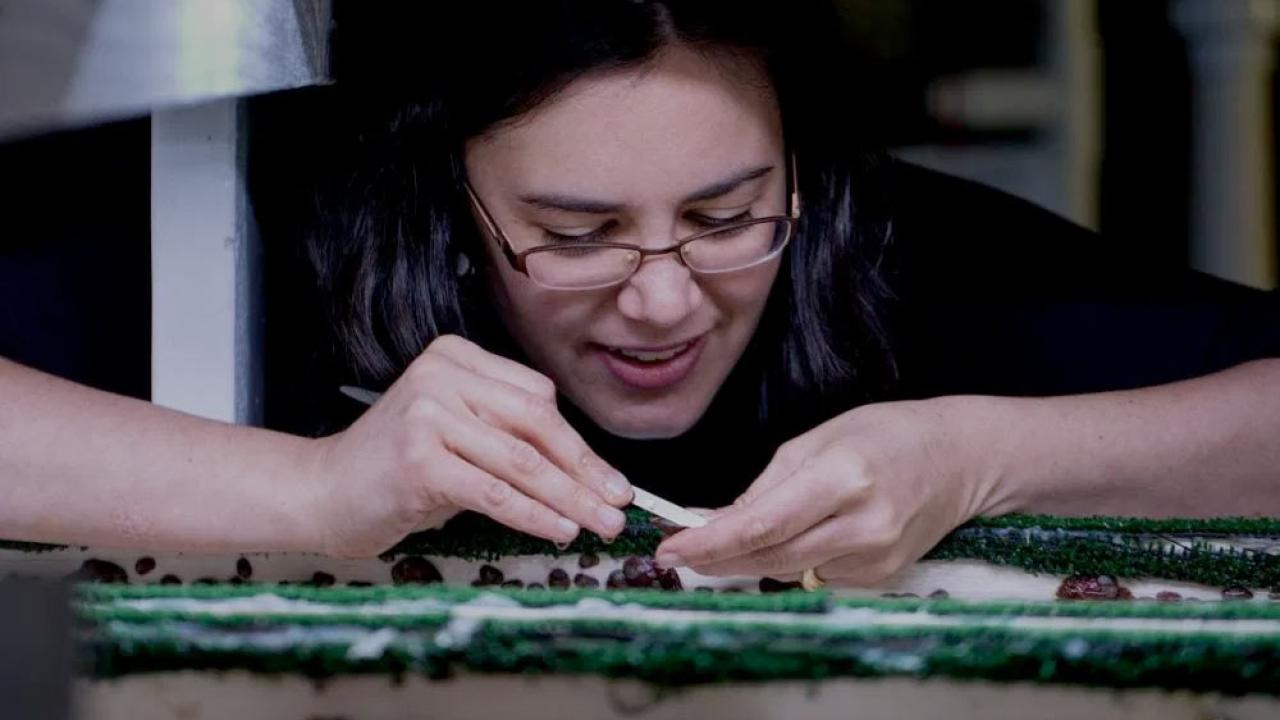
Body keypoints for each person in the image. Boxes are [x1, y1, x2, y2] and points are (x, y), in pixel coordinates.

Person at [2, 1, 1278, 588]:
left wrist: (980, 453)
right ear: (442, 191)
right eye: (575, 233)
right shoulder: (251, 230)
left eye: (724, 218)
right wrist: (315, 489)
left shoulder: (873, 249)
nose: (665, 302)